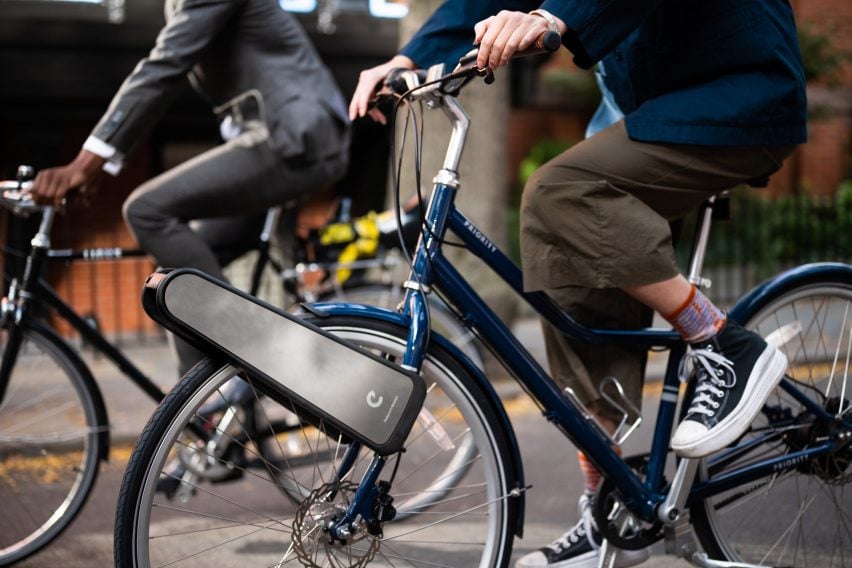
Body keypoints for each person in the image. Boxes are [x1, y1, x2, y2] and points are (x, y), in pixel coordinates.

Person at [350, 2, 807, 567]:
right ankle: (606, 511)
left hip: (738, 89)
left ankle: (723, 342)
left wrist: (552, 17)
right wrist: (409, 57)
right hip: (644, 107)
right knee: (572, 272)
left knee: (562, 193)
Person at [31, 0, 351, 377]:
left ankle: (254, 356)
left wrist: (86, 164)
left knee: (146, 209)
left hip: (296, 136)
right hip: (275, 136)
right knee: (179, 279)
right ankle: (200, 405)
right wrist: (94, 171)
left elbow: (164, 66)